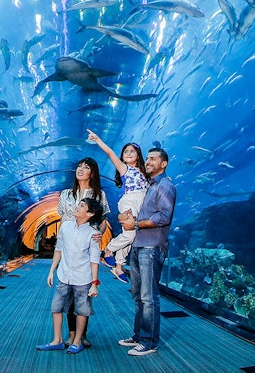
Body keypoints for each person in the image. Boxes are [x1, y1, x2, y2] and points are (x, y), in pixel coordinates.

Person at [117, 146, 176, 357]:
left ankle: (150, 341)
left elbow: (164, 217)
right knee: (138, 295)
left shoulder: (165, 186)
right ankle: (139, 335)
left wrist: (136, 225)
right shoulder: (149, 185)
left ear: (164, 163)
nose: (148, 162)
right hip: (139, 245)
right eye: (147, 159)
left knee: (149, 296)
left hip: (151, 246)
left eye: (153, 159)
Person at [36, 197, 104, 355]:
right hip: (64, 275)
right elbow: (58, 249)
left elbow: (94, 260)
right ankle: (57, 340)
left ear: (90, 213)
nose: (77, 207)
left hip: (83, 278)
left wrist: (94, 283)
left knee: (82, 310)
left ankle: (77, 341)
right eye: (78, 204)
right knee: (56, 308)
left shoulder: (92, 234)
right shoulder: (65, 226)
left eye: (82, 206)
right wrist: (51, 270)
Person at [56, 157, 111, 348]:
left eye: (86, 167)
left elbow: (102, 221)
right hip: (69, 247)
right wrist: (60, 244)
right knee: (67, 293)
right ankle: (72, 335)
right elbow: (63, 218)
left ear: (92, 173)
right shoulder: (65, 194)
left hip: (86, 249)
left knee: (84, 293)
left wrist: (99, 234)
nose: (80, 169)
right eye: (79, 166)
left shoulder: (99, 195)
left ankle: (81, 335)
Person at [86, 130, 149, 284]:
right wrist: (98, 139)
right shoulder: (124, 168)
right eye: (125, 151)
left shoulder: (144, 171)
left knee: (131, 237)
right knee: (130, 235)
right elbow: (109, 153)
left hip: (141, 203)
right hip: (130, 201)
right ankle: (108, 250)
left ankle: (119, 265)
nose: (128, 153)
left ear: (138, 155)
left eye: (132, 151)